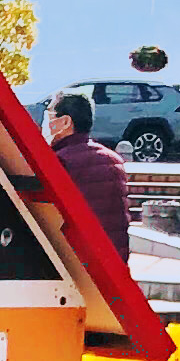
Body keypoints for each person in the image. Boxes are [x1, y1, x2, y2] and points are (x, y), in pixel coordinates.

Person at [47, 90, 134, 255]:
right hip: (113, 258)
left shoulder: (61, 161)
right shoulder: (113, 159)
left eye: (50, 115)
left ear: (65, 122)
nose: (46, 122)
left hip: (78, 260)